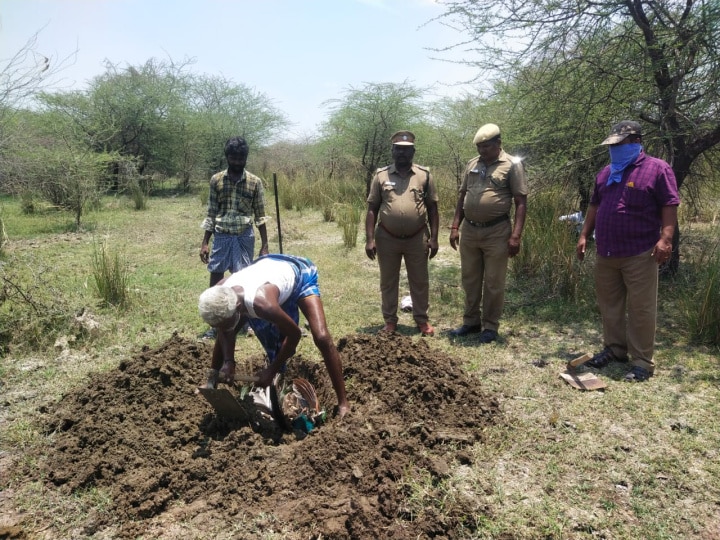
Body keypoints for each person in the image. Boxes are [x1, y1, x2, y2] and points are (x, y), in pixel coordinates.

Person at [577, 120, 680, 382]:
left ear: (635, 142)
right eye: (612, 146)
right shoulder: (606, 172)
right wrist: (584, 235)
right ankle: (615, 349)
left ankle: (642, 362)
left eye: (619, 145)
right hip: (607, 252)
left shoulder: (657, 169)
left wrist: (666, 239)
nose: (614, 150)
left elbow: (669, 204)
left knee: (641, 308)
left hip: (640, 251)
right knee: (609, 304)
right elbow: (594, 207)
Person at [198, 253, 350, 418]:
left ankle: (343, 402)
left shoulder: (264, 305)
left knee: (321, 337)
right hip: (267, 269)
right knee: (229, 328)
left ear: (238, 307)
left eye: (225, 324)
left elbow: (294, 335)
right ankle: (211, 380)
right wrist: (228, 361)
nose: (222, 329)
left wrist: (271, 370)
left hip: (299, 274)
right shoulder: (220, 292)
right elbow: (224, 330)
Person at [449, 124, 528, 343]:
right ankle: (471, 322)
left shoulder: (512, 165)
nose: (482, 151)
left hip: (497, 231)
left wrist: (516, 235)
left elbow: (521, 202)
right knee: (470, 279)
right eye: (479, 147)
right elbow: (462, 196)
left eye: (486, 146)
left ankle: (490, 326)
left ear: (498, 144)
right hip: (470, 230)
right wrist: (455, 227)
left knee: (494, 281)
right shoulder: (472, 164)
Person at [365, 131, 439, 337]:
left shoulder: (424, 175)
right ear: (393, 151)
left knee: (420, 280)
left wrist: (433, 238)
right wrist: (370, 239)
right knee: (388, 281)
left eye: (406, 150)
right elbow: (372, 209)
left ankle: (422, 320)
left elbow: (433, 208)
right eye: (398, 149)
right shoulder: (381, 176)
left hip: (417, 237)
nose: (402, 153)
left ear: (413, 152)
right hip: (387, 238)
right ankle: (390, 321)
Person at [199, 136, 270, 339]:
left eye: (241, 157)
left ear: (245, 157)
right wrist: (205, 242)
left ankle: (245, 321)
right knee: (217, 277)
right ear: (227, 157)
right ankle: (216, 321)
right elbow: (211, 212)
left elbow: (260, 215)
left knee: (244, 279)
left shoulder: (255, 182)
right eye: (233, 157)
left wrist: (265, 245)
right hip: (221, 235)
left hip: (244, 236)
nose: (237, 161)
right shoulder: (216, 180)